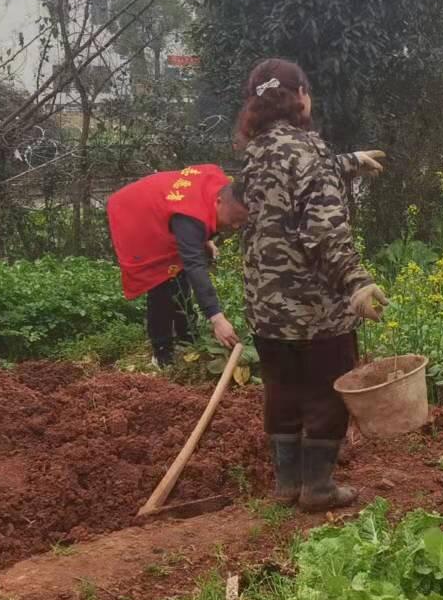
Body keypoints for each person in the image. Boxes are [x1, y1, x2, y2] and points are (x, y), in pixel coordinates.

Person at [236, 58, 389, 511]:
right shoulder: (308, 149)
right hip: (314, 307)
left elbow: (286, 184)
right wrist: (356, 283)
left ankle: (286, 484)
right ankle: (318, 488)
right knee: (327, 390)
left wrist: (347, 163)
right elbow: (323, 230)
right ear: (300, 94)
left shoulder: (256, 149)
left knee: (281, 388)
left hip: (266, 304)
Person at [106, 164, 247, 366]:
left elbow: (197, 216)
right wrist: (217, 318)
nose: (235, 226)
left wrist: (203, 238)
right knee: (161, 281)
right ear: (218, 202)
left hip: (166, 208)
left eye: (241, 221)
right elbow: (195, 265)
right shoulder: (190, 216)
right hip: (137, 214)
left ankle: (188, 339)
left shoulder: (222, 185)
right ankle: (162, 354)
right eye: (234, 219)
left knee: (178, 277)